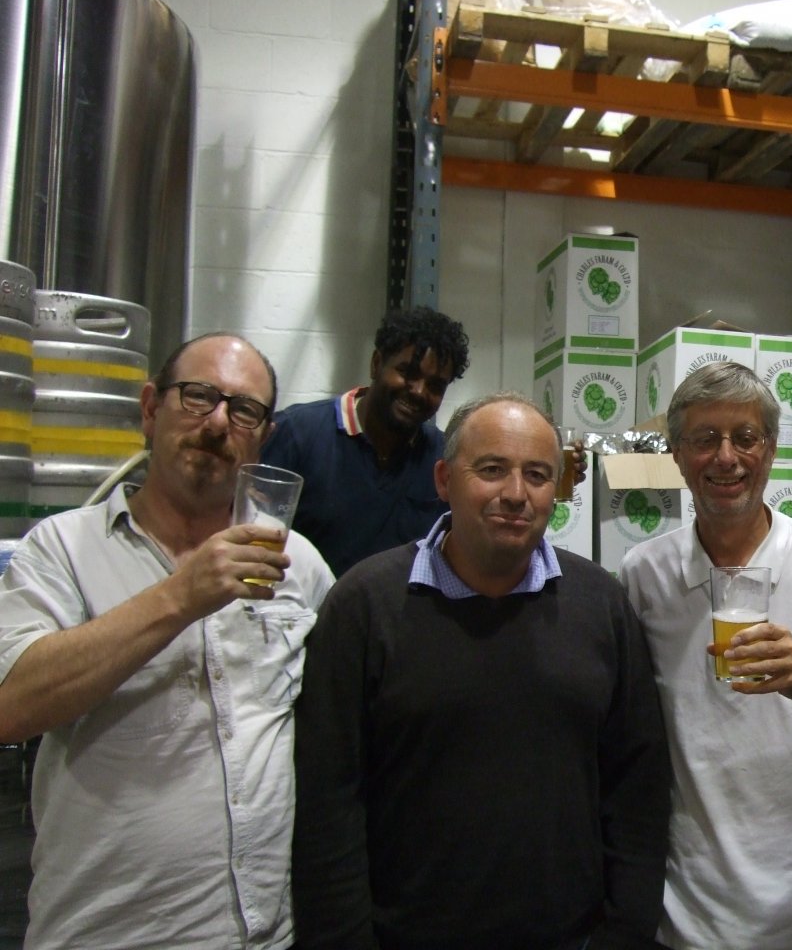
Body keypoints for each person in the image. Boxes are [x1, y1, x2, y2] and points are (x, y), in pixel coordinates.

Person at [290, 392, 671, 950]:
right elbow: (328, 803)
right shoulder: (364, 605)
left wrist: (622, 935)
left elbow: (637, 789)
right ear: (444, 479)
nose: (515, 494)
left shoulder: (602, 606)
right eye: (491, 470)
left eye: (537, 475)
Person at [0, 332, 335, 950]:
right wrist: (181, 597)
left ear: (261, 437)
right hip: (105, 935)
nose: (216, 422)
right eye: (198, 396)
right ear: (150, 409)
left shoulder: (298, 564)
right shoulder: (61, 548)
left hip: (265, 937)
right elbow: (12, 705)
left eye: (243, 411)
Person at [617, 362, 792, 950]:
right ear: (676, 454)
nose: (727, 458)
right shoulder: (644, 575)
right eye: (704, 439)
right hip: (689, 918)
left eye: (745, 438)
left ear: (769, 450)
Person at [261, 306, 470, 576]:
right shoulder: (297, 434)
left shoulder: (442, 458)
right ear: (376, 363)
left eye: (435, 385)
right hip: (307, 615)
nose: (418, 391)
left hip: (398, 616)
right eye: (407, 373)